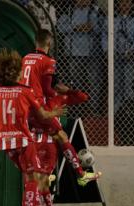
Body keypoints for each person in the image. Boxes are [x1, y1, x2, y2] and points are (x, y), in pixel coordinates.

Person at [0, 49, 64, 206]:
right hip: (23, 140)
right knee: (35, 175)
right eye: (20, 70)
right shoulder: (26, 91)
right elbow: (43, 115)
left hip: (5, 142)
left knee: (30, 175)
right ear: (15, 72)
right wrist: (55, 112)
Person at [21, 29, 101, 187]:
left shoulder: (26, 58)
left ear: (35, 41)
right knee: (62, 136)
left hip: (25, 105)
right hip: (39, 106)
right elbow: (47, 89)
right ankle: (81, 175)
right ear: (49, 43)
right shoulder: (48, 61)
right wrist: (62, 90)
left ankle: (42, 179)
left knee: (51, 139)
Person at [33, 89, 90, 206]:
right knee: (41, 179)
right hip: (49, 142)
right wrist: (69, 90)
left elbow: (83, 97)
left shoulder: (33, 98)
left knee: (38, 178)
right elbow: (83, 97)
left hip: (35, 141)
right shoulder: (57, 99)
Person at [57, 0, 104, 111]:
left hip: (93, 53)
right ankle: (77, 108)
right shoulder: (68, 10)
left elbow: (103, 28)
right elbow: (60, 27)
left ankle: (93, 109)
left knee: (94, 82)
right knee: (75, 80)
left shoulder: (96, 11)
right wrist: (75, 28)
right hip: (74, 53)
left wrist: (92, 27)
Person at [102, 0, 134, 113]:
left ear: (132, 4)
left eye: (128, 2)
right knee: (116, 86)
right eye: (122, 2)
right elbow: (105, 36)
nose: (124, 4)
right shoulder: (111, 18)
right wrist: (107, 52)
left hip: (131, 57)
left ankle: (129, 113)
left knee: (130, 86)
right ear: (118, 4)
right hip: (116, 57)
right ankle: (115, 114)